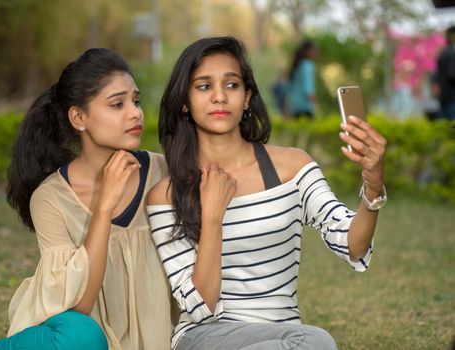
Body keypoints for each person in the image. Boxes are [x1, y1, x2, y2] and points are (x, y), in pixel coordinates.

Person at [147, 36, 387, 350]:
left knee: (311, 342)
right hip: (203, 338)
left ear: (247, 96)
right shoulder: (166, 194)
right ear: (184, 102)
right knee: (318, 342)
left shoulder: (293, 167)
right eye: (204, 86)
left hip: (285, 338)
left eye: (231, 85)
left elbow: (353, 245)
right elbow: (200, 308)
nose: (219, 96)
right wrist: (213, 216)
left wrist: (373, 182)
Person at [0, 48, 175, 349]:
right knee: (81, 336)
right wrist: (104, 207)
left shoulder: (163, 173)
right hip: (80, 338)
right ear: (79, 117)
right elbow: (79, 308)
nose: (135, 112)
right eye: (117, 104)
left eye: (136, 101)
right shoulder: (50, 198)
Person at [286, 40, 317, 118]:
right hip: (305, 107)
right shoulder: (307, 65)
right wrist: (313, 102)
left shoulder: (297, 66)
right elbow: (308, 87)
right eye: (314, 50)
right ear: (308, 51)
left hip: (295, 107)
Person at [436, 25, 455, 121]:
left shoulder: (443, 52)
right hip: (452, 95)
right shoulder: (452, 52)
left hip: (444, 94)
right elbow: (452, 75)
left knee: (443, 124)